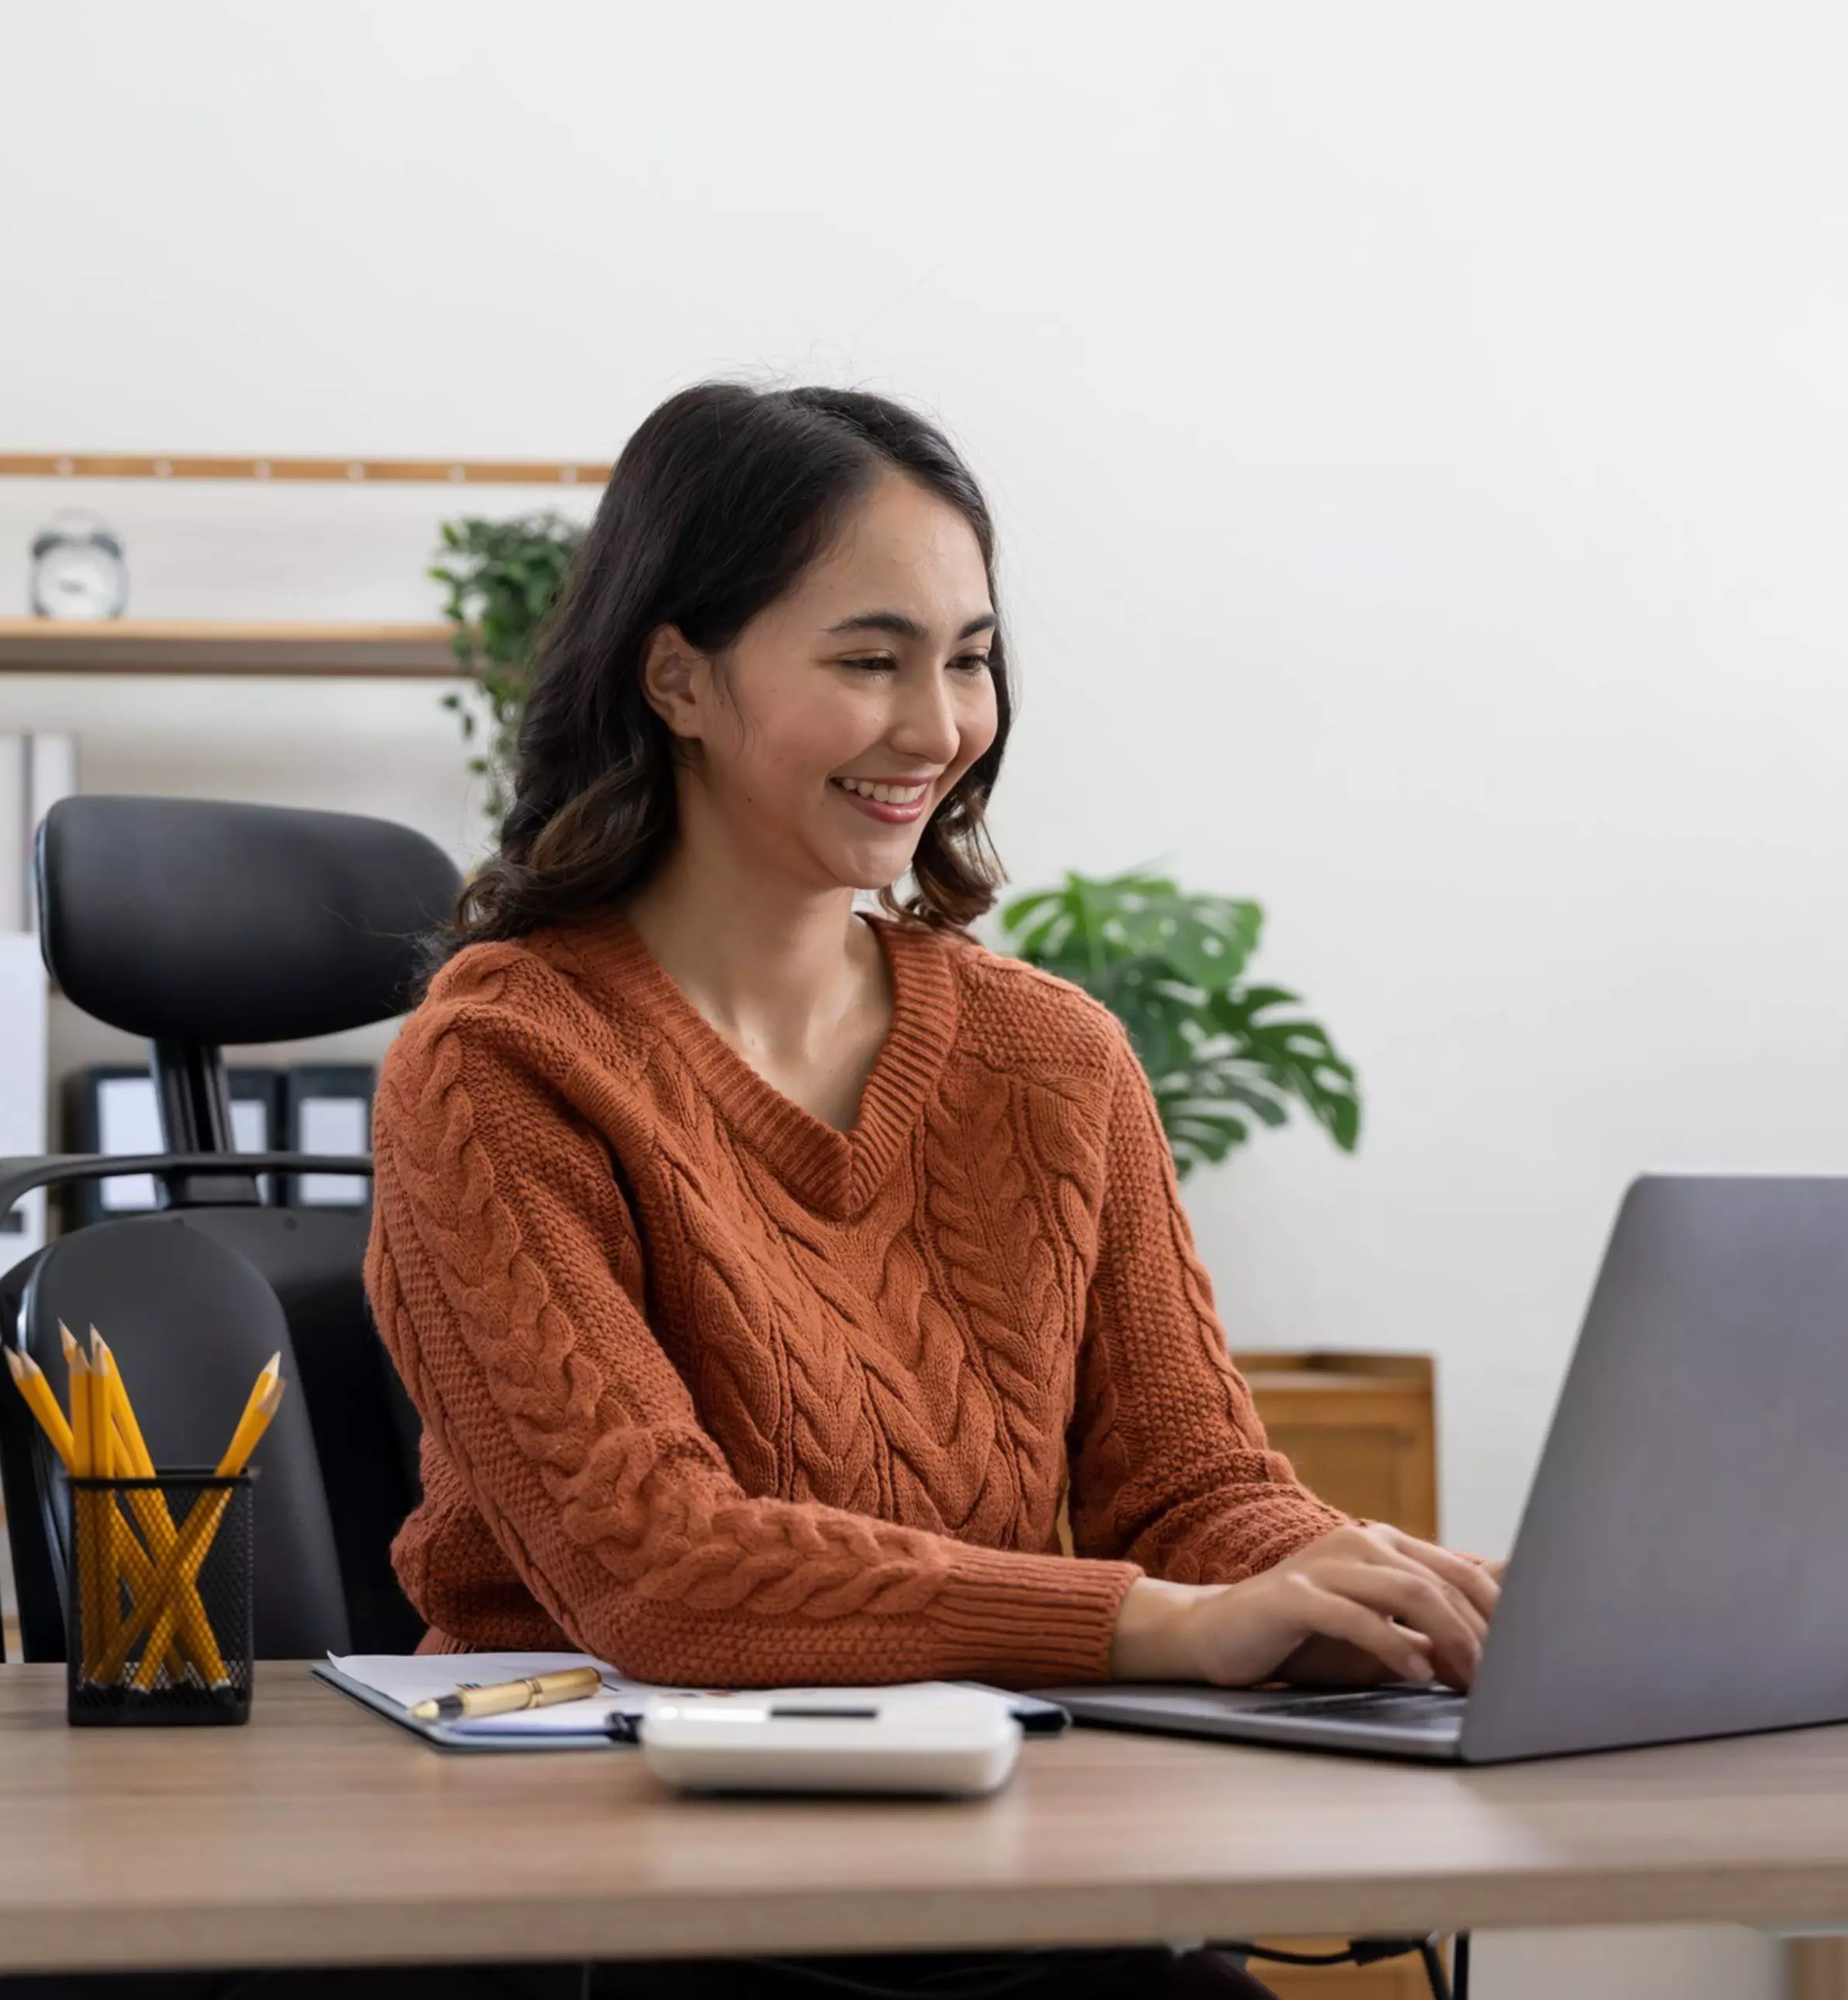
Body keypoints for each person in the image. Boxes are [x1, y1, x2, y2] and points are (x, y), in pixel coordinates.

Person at [369, 381, 1497, 1708]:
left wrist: (1373, 1595)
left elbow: (1193, 1488)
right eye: (868, 660)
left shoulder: (1053, 1057)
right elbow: (658, 1577)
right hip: (594, 1829)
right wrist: (1162, 1624)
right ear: (676, 676)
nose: (940, 727)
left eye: (967, 659)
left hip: (973, 1796)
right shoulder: (504, 1064)